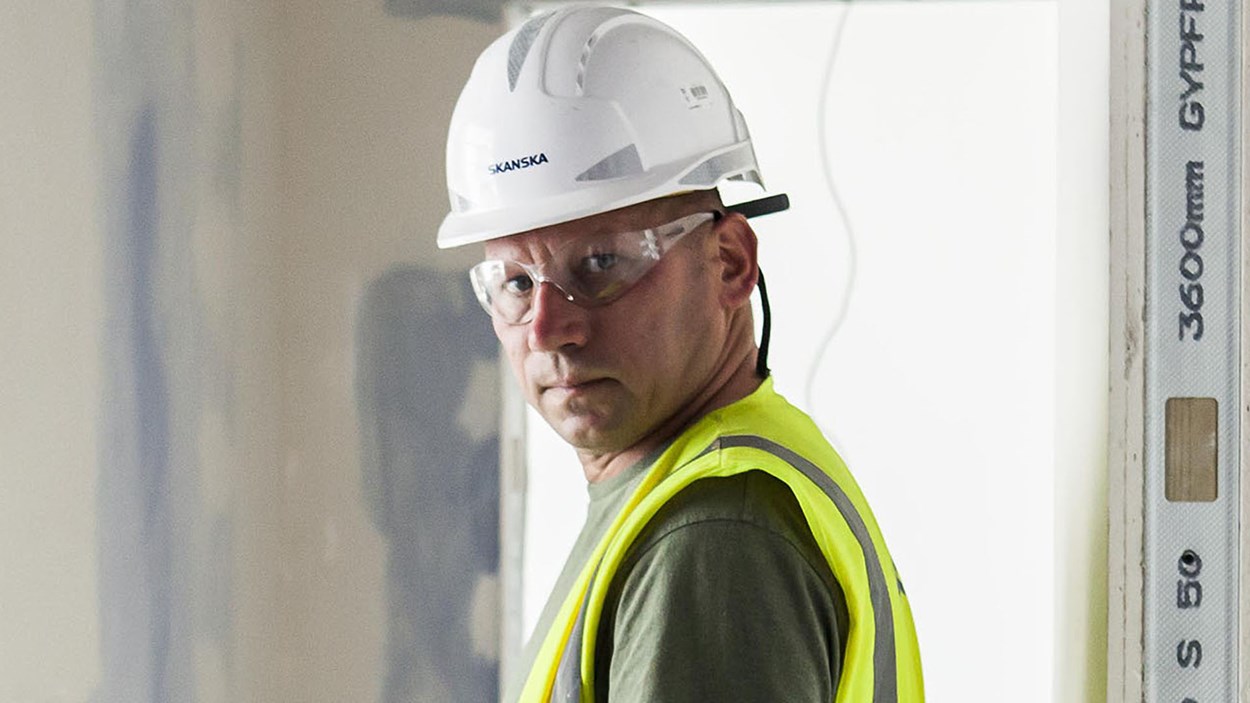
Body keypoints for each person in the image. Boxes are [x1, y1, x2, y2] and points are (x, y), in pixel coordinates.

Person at [437, 5, 923, 701]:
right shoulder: (689, 493)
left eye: (601, 262)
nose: (546, 327)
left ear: (728, 262)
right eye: (515, 281)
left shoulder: (713, 538)